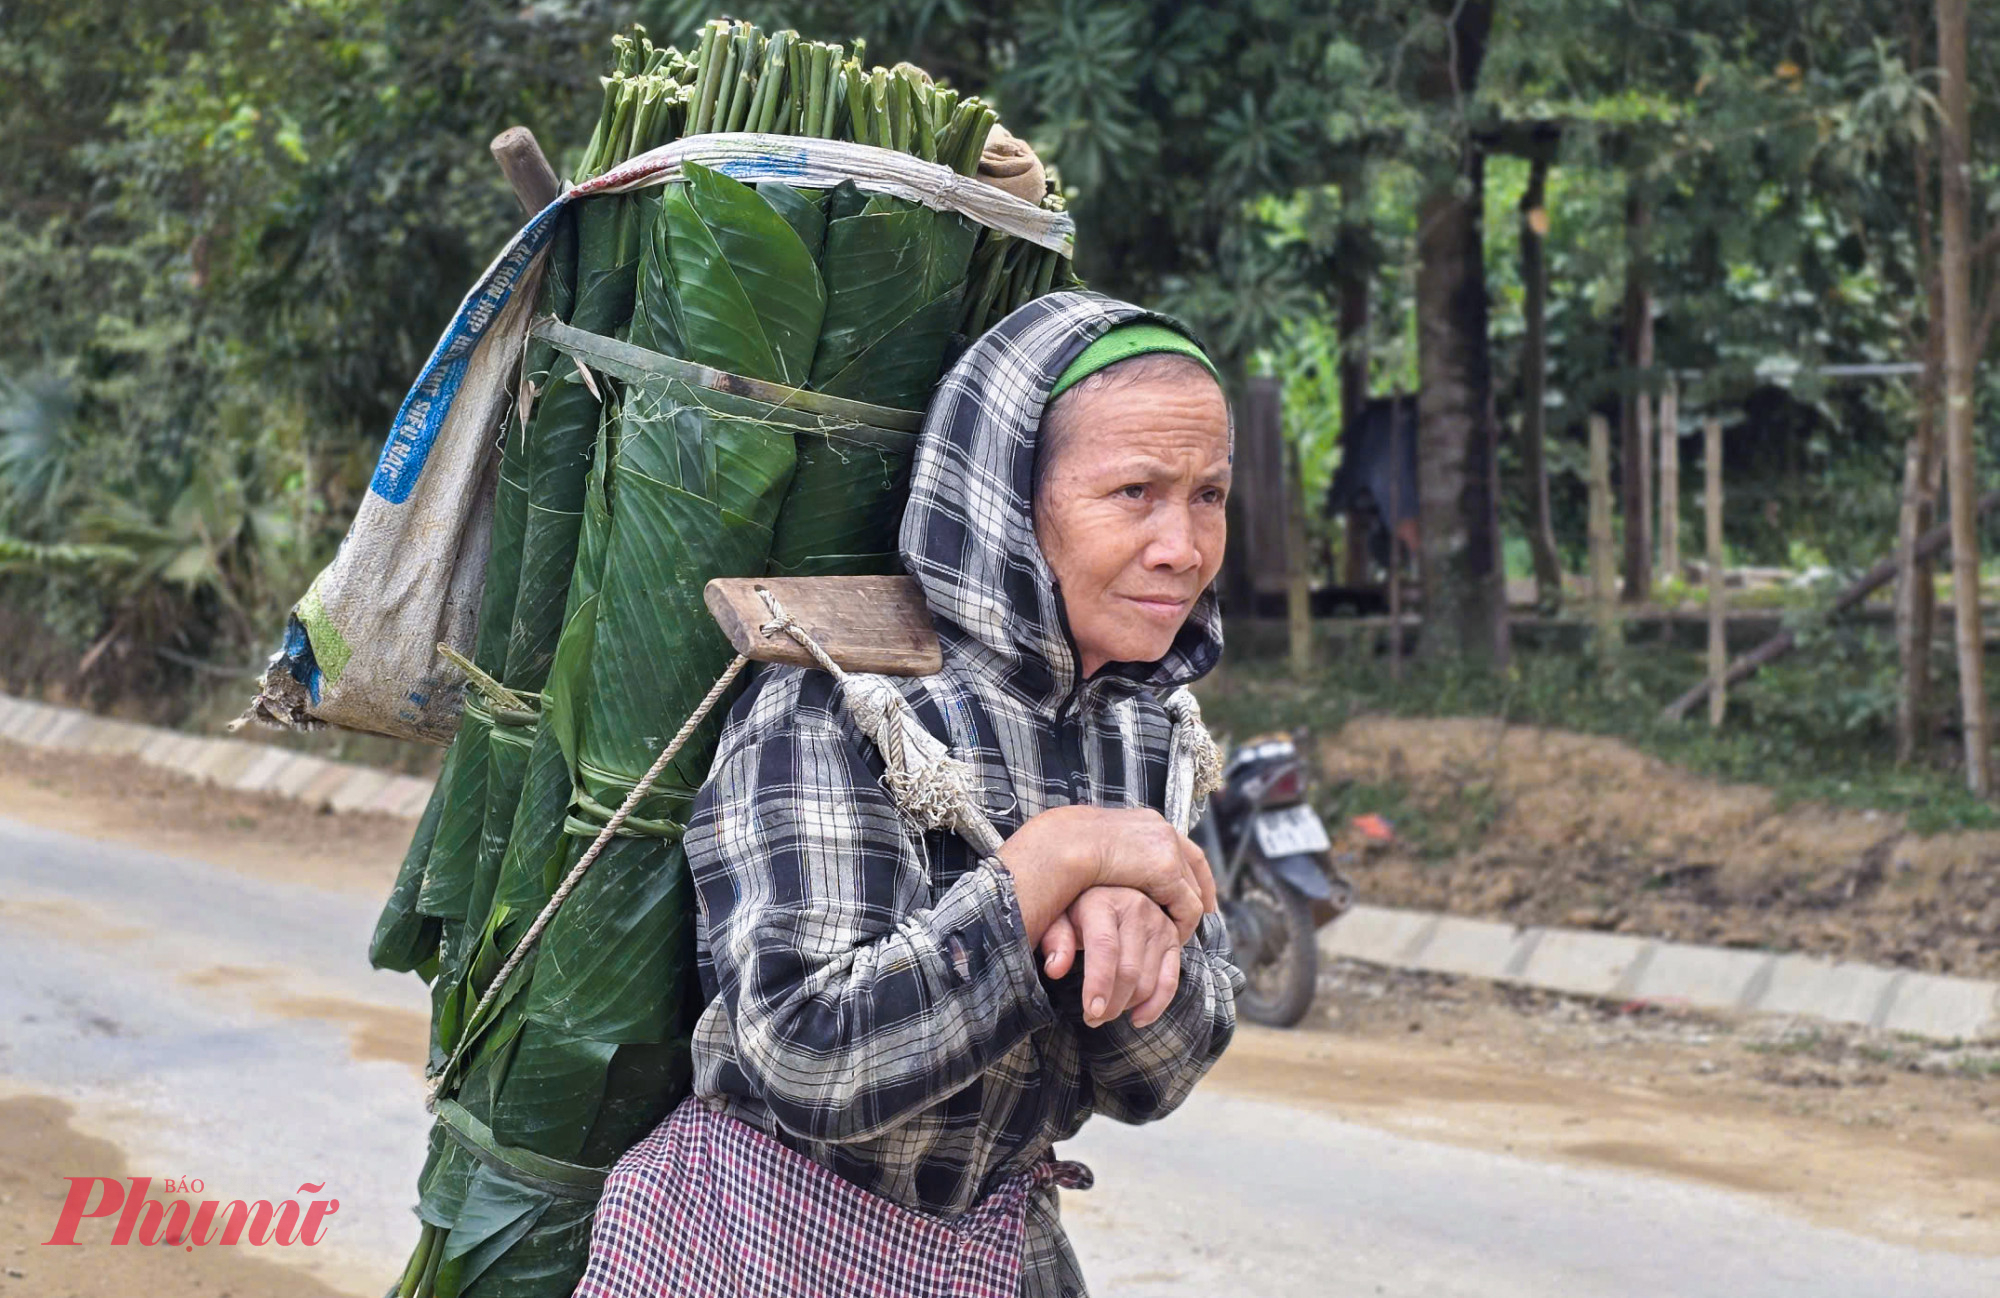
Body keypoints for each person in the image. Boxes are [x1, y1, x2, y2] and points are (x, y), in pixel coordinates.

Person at [573, 292, 1244, 1298]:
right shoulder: (843, 701)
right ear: (1006, 495)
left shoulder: (1149, 729)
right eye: (1135, 492)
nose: (1182, 546)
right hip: (756, 1247)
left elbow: (1162, 1071)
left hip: (992, 1255)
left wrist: (1115, 934)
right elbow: (807, 1056)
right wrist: (1046, 870)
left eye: (1209, 494)